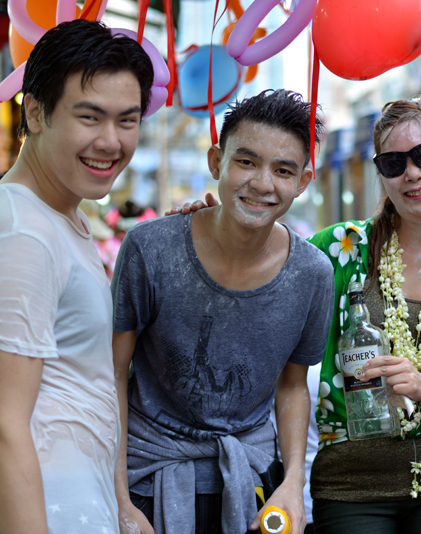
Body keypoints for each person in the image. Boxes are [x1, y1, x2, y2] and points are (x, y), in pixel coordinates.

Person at [111, 89, 334, 534]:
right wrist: (118, 498)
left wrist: (292, 483)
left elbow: (292, 388)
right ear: (217, 162)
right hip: (147, 476)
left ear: (304, 181)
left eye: (283, 170)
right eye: (246, 162)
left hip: (251, 481)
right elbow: (112, 374)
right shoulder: (149, 250)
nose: (262, 183)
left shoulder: (313, 273)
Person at [306, 95, 421, 533]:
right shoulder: (339, 249)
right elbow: (262, 251)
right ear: (381, 174)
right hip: (350, 482)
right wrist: (206, 220)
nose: (412, 173)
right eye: (393, 163)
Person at [0, 19, 153, 534]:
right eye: (90, 117)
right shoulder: (23, 231)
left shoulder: (64, 215)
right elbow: (4, 422)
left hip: (82, 505)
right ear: (36, 112)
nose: (111, 142)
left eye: (127, 121)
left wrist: (120, 507)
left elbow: (83, 383)